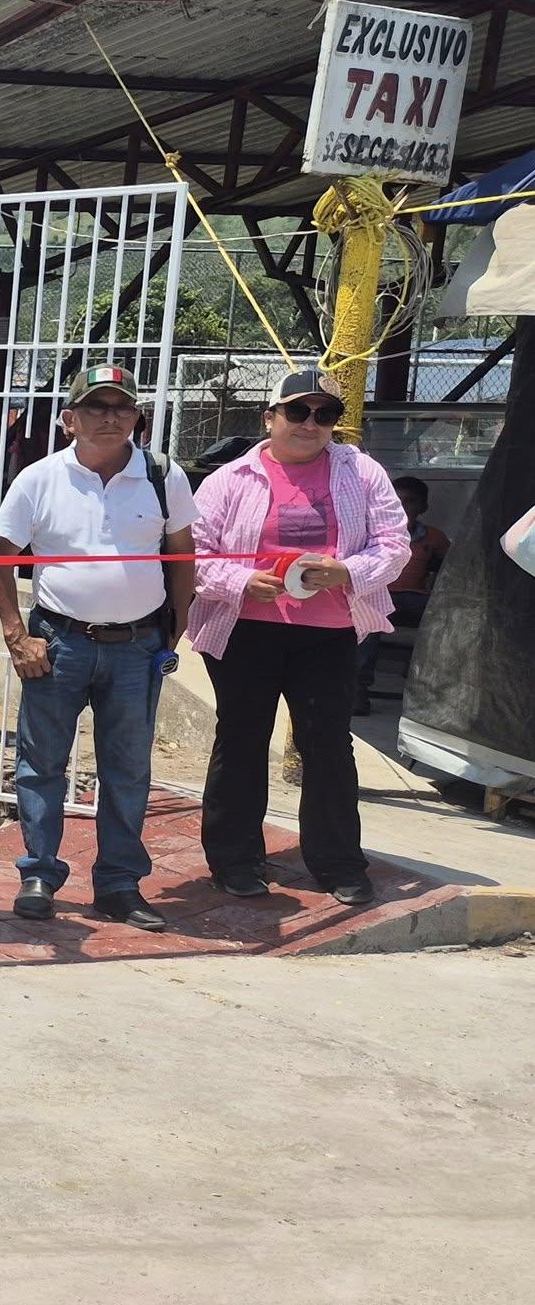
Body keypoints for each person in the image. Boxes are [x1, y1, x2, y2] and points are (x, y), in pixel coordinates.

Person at [189, 367, 411, 908]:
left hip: (330, 633)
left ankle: (338, 863)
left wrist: (348, 571)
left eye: (325, 414)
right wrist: (242, 582)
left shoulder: (362, 473)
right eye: (297, 412)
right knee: (241, 739)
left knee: (328, 744)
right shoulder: (229, 479)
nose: (310, 424)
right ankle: (235, 861)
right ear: (270, 417)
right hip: (245, 630)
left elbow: (394, 543)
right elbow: (195, 555)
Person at [0, 365, 194, 931]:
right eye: (96, 407)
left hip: (138, 646)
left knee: (127, 769)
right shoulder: (39, 478)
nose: (109, 417)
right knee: (42, 763)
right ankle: (38, 874)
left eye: (121, 408)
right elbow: (0, 557)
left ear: (137, 418)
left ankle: (119, 884)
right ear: (69, 419)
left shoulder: (163, 476)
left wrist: (173, 632)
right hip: (59, 643)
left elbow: (183, 556)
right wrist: (17, 636)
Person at [355, 474, 449, 712]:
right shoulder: (371, 532)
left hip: (414, 599)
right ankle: (358, 689)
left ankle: (428, 684)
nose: (403, 507)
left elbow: (450, 568)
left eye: (410, 502)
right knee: (368, 619)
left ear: (422, 507)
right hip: (379, 595)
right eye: (397, 501)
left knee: (449, 614)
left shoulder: (433, 537)